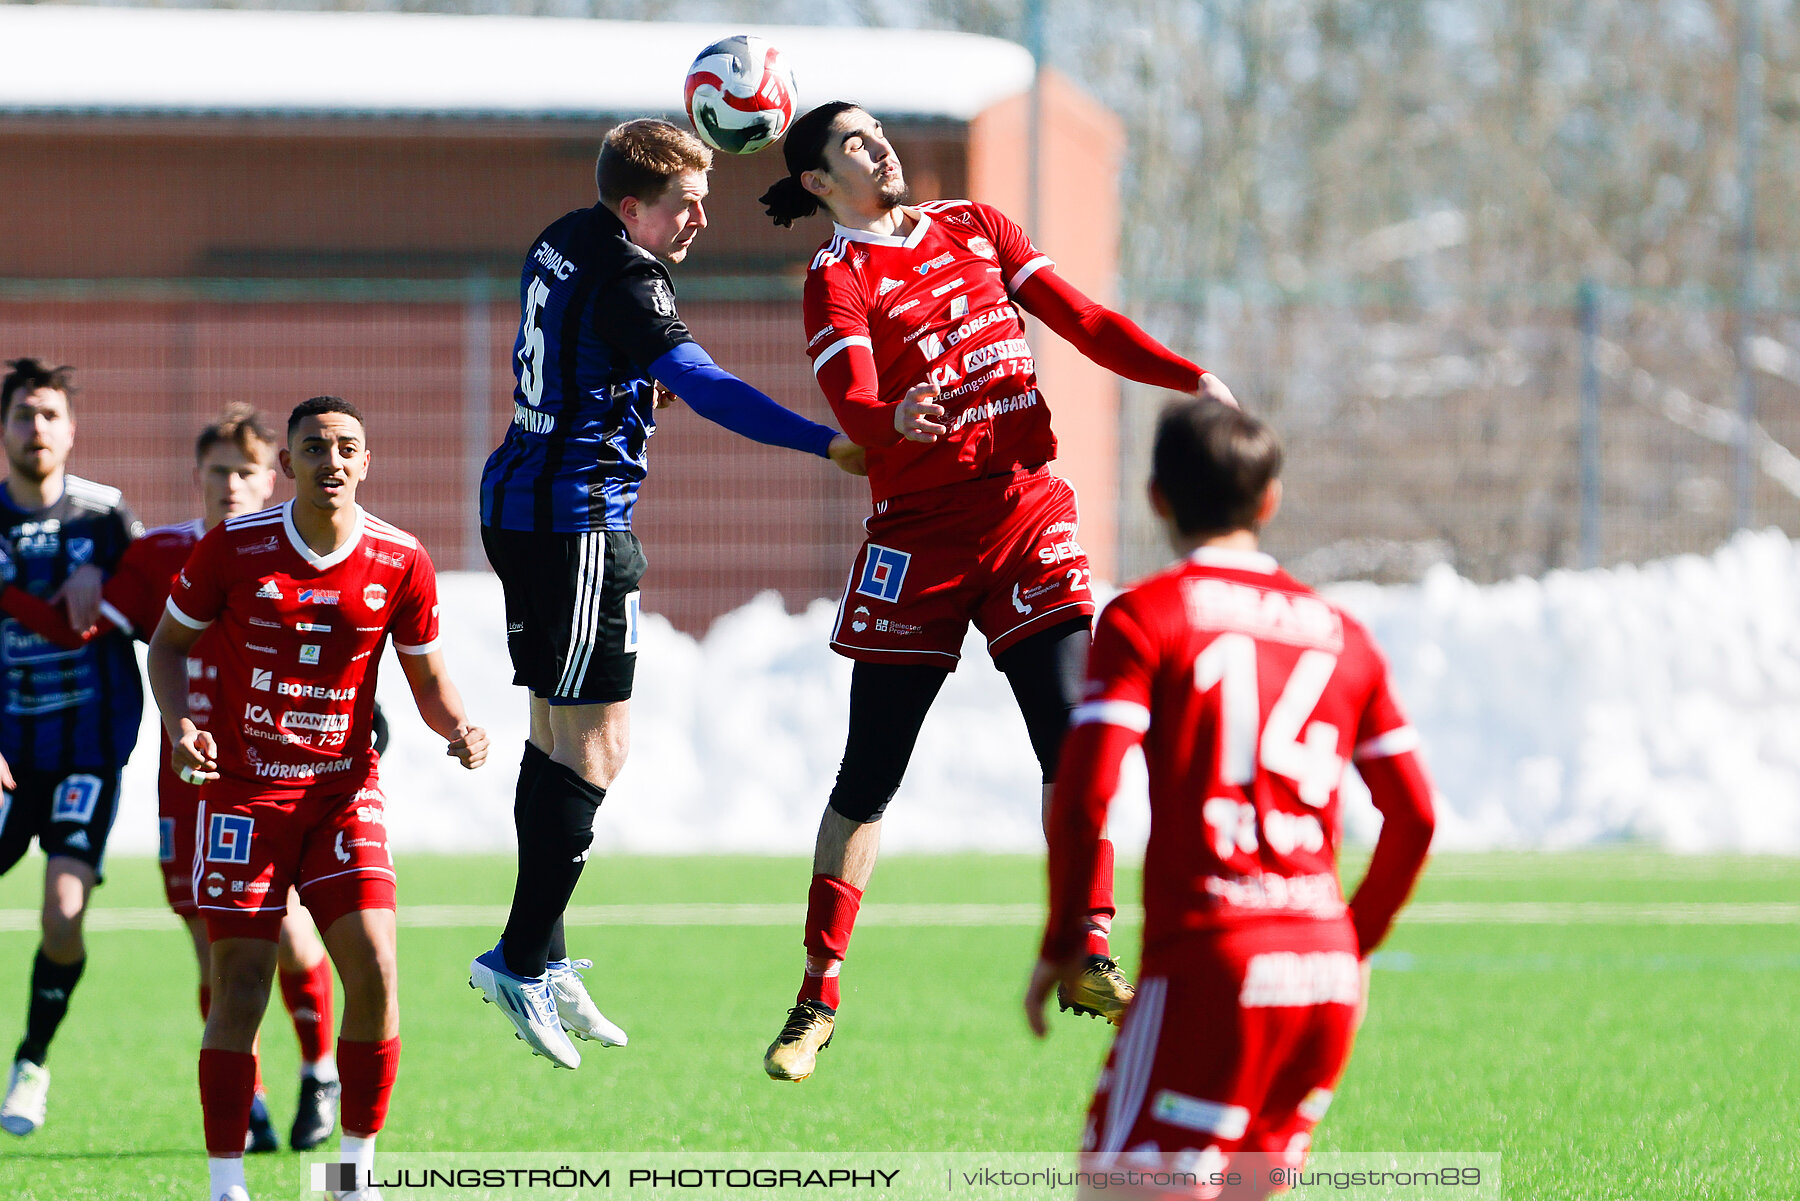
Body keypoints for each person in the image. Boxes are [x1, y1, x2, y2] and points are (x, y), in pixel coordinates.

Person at [754, 102, 1239, 1081]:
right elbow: (849, 394)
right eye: (853, 142)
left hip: (1025, 515)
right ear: (816, 183)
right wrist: (893, 416)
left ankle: (1087, 946)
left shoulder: (977, 226)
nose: (879, 144)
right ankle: (817, 994)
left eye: (877, 130)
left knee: (1075, 734)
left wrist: (1187, 376)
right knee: (869, 773)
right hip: (919, 539)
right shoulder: (835, 277)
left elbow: (1085, 321)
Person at [472, 117, 866, 1070]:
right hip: (576, 528)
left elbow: (576, 350)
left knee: (553, 735)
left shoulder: (562, 237)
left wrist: (626, 386)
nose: (700, 220)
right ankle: (519, 959)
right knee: (602, 746)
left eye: (706, 200)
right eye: (684, 205)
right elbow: (706, 379)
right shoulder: (629, 276)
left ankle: (545, 952)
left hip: (518, 502)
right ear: (632, 207)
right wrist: (829, 442)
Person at [1025, 401, 1437, 1199]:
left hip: (1211, 965)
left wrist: (1063, 938)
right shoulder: (1339, 631)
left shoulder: (1149, 616)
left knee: (1119, 1188)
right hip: (1321, 979)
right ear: (1270, 500)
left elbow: (1087, 790)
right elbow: (1416, 815)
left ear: (1156, 497)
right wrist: (1348, 940)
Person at [147, 396, 488, 1201]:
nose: (331, 461)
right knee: (239, 982)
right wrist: (179, 721)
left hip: (343, 792)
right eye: (314, 448)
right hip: (244, 796)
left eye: (346, 448)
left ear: (366, 462)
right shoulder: (234, 547)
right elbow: (168, 644)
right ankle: (227, 1185)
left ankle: (350, 1172)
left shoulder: (401, 558)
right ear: (289, 463)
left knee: (374, 966)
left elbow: (427, 677)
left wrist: (459, 725)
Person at [0, 404, 342, 1151]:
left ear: (273, 476)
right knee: (209, 944)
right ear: (197, 477)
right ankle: (246, 1103)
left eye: (246, 470)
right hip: (186, 781)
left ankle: (320, 1070)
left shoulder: (300, 552)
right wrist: (83, 577)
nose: (230, 484)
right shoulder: (157, 556)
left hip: (275, 776)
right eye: (218, 470)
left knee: (284, 929)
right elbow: (73, 628)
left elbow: (343, 642)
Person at [0, 358, 143, 1136]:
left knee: (62, 910)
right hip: (3, 749)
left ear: (71, 428)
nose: (37, 428)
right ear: (4, 429)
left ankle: (30, 1064)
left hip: (85, 751)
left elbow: (163, 612)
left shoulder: (109, 518)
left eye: (49, 414)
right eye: (23, 414)